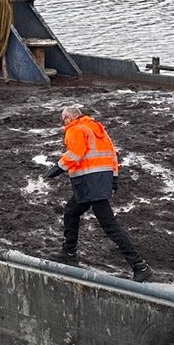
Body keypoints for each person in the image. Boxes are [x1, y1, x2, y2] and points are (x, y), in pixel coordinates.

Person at [45, 103, 153, 281]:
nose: (63, 123)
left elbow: (76, 154)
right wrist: (114, 179)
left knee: (109, 225)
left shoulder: (75, 129)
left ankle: (140, 266)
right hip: (99, 182)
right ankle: (69, 252)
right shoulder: (97, 128)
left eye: (63, 120)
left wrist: (57, 168)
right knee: (71, 212)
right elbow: (112, 154)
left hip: (89, 184)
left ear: (68, 118)